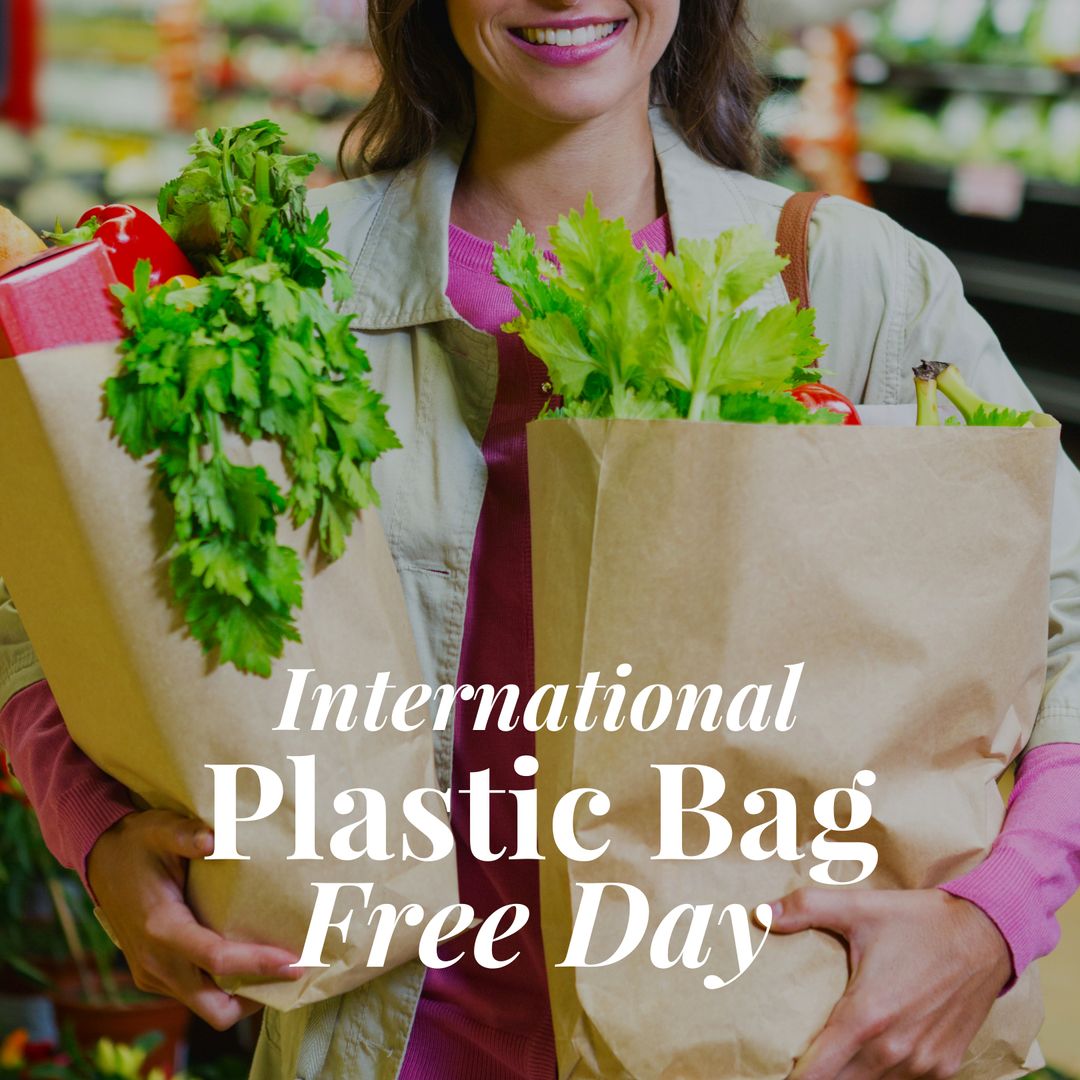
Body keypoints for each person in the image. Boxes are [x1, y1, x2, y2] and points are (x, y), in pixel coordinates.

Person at [2, 2, 1080, 1078]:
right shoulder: (279, 284)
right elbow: (48, 596)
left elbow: (1066, 624)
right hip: (389, 1047)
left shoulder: (849, 286)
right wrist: (100, 836)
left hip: (766, 1042)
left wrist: (991, 919)